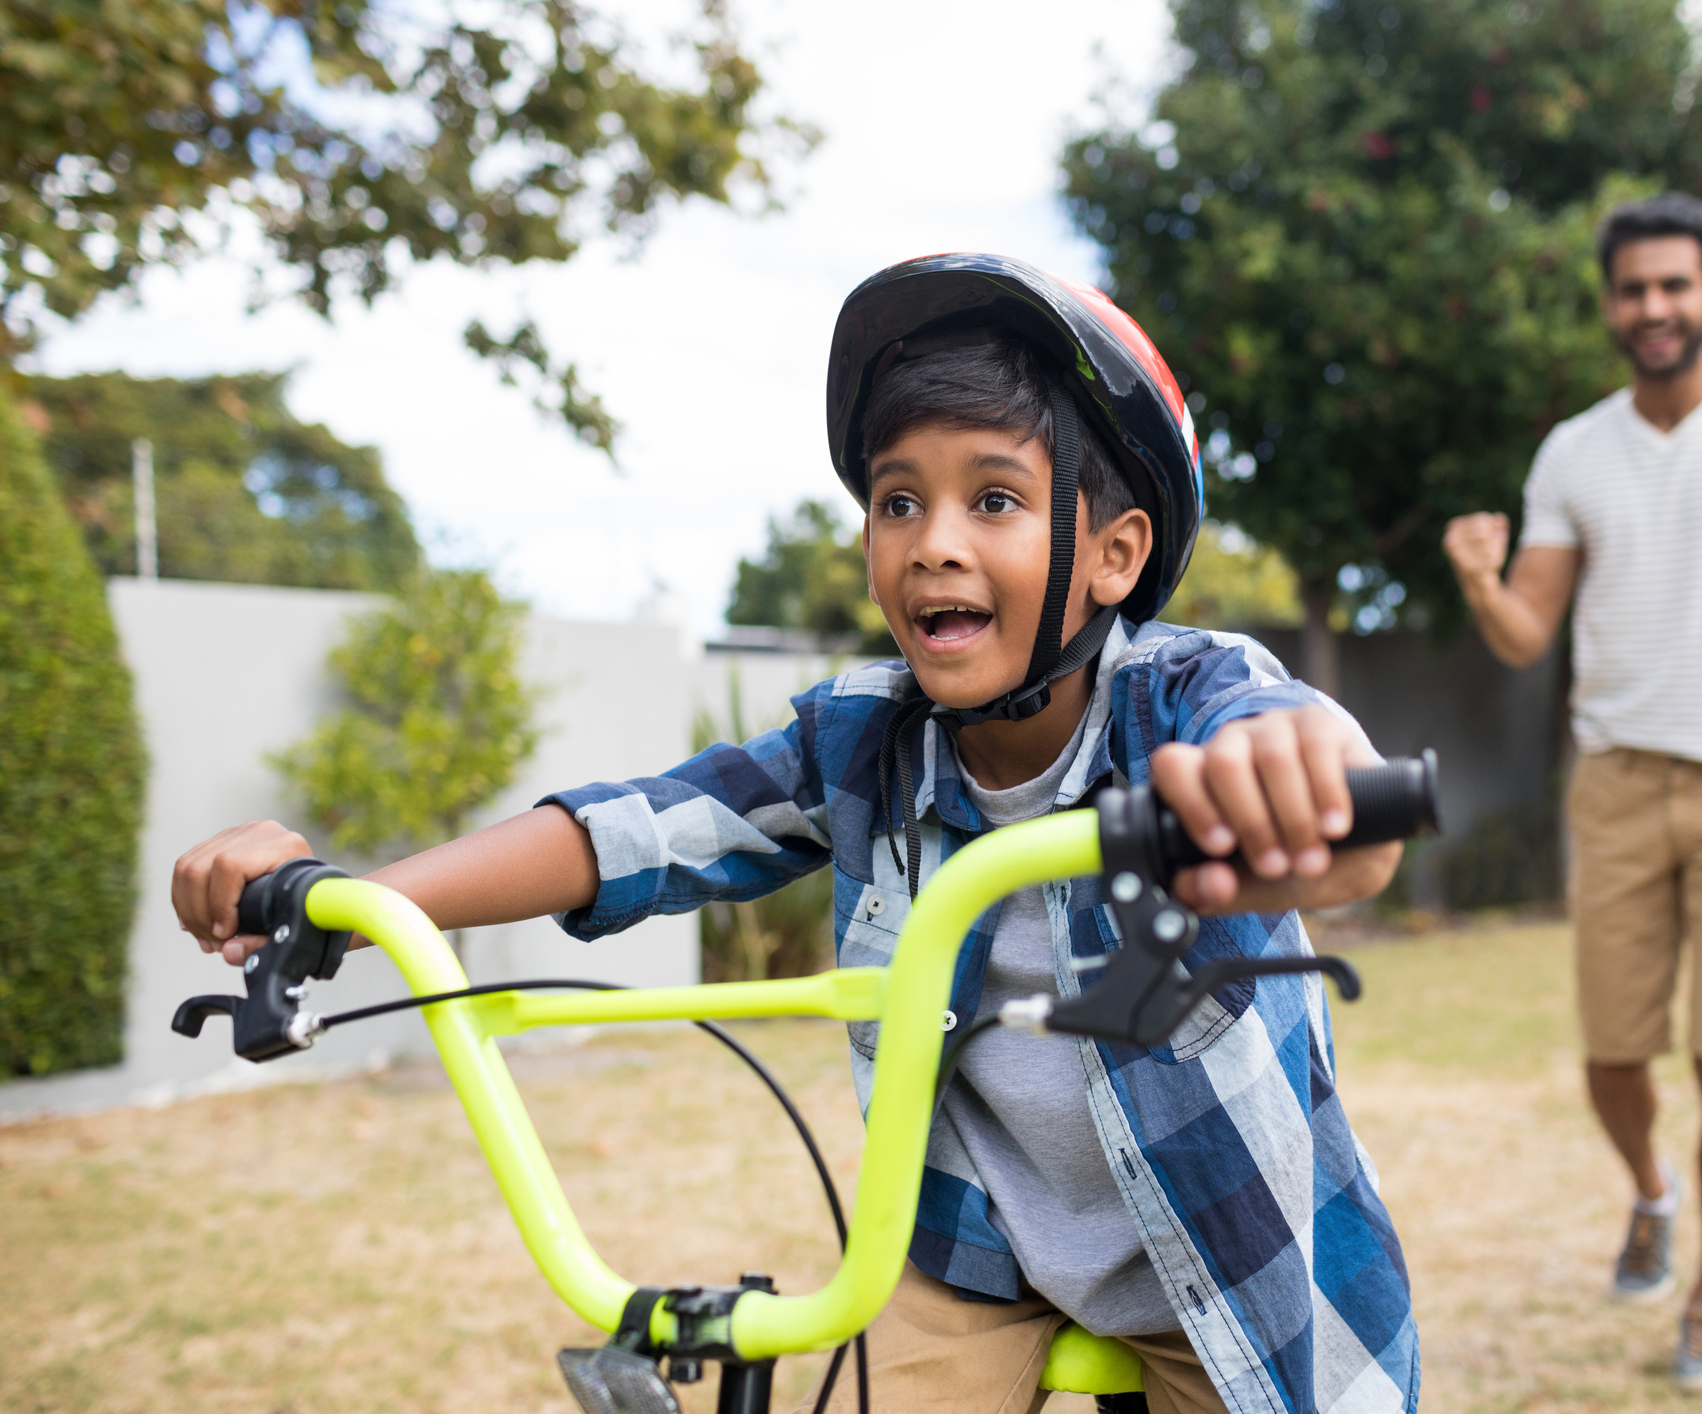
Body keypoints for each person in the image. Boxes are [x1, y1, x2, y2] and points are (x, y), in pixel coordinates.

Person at [171, 254, 1421, 1414]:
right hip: (978, 1253)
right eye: (897, 500)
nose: (933, 540)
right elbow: (642, 829)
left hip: (1227, 1258)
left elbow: (1327, 792)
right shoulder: (857, 741)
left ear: (1111, 551)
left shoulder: (1188, 705)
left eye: (994, 497)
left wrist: (1293, 786)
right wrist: (346, 890)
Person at [1440, 195, 1702, 1394]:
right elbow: (1529, 630)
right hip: (1618, 785)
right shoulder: (1575, 452)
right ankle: (1650, 1190)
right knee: (1614, 1058)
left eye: (1678, 285)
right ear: (1612, 304)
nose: (1656, 307)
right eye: (1634, 288)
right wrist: (1481, 583)